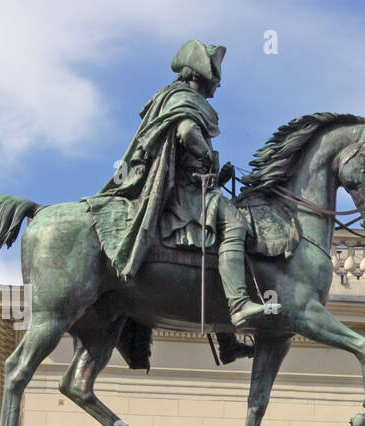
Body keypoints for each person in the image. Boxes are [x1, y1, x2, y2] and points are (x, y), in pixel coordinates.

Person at [86, 39, 274, 338]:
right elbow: (187, 132)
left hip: (191, 186)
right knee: (235, 225)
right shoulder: (184, 98)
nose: (218, 87)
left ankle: (226, 338)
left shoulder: (171, 96)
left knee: (214, 245)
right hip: (182, 192)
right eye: (216, 79)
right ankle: (238, 304)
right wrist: (206, 158)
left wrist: (216, 174)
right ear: (203, 76)